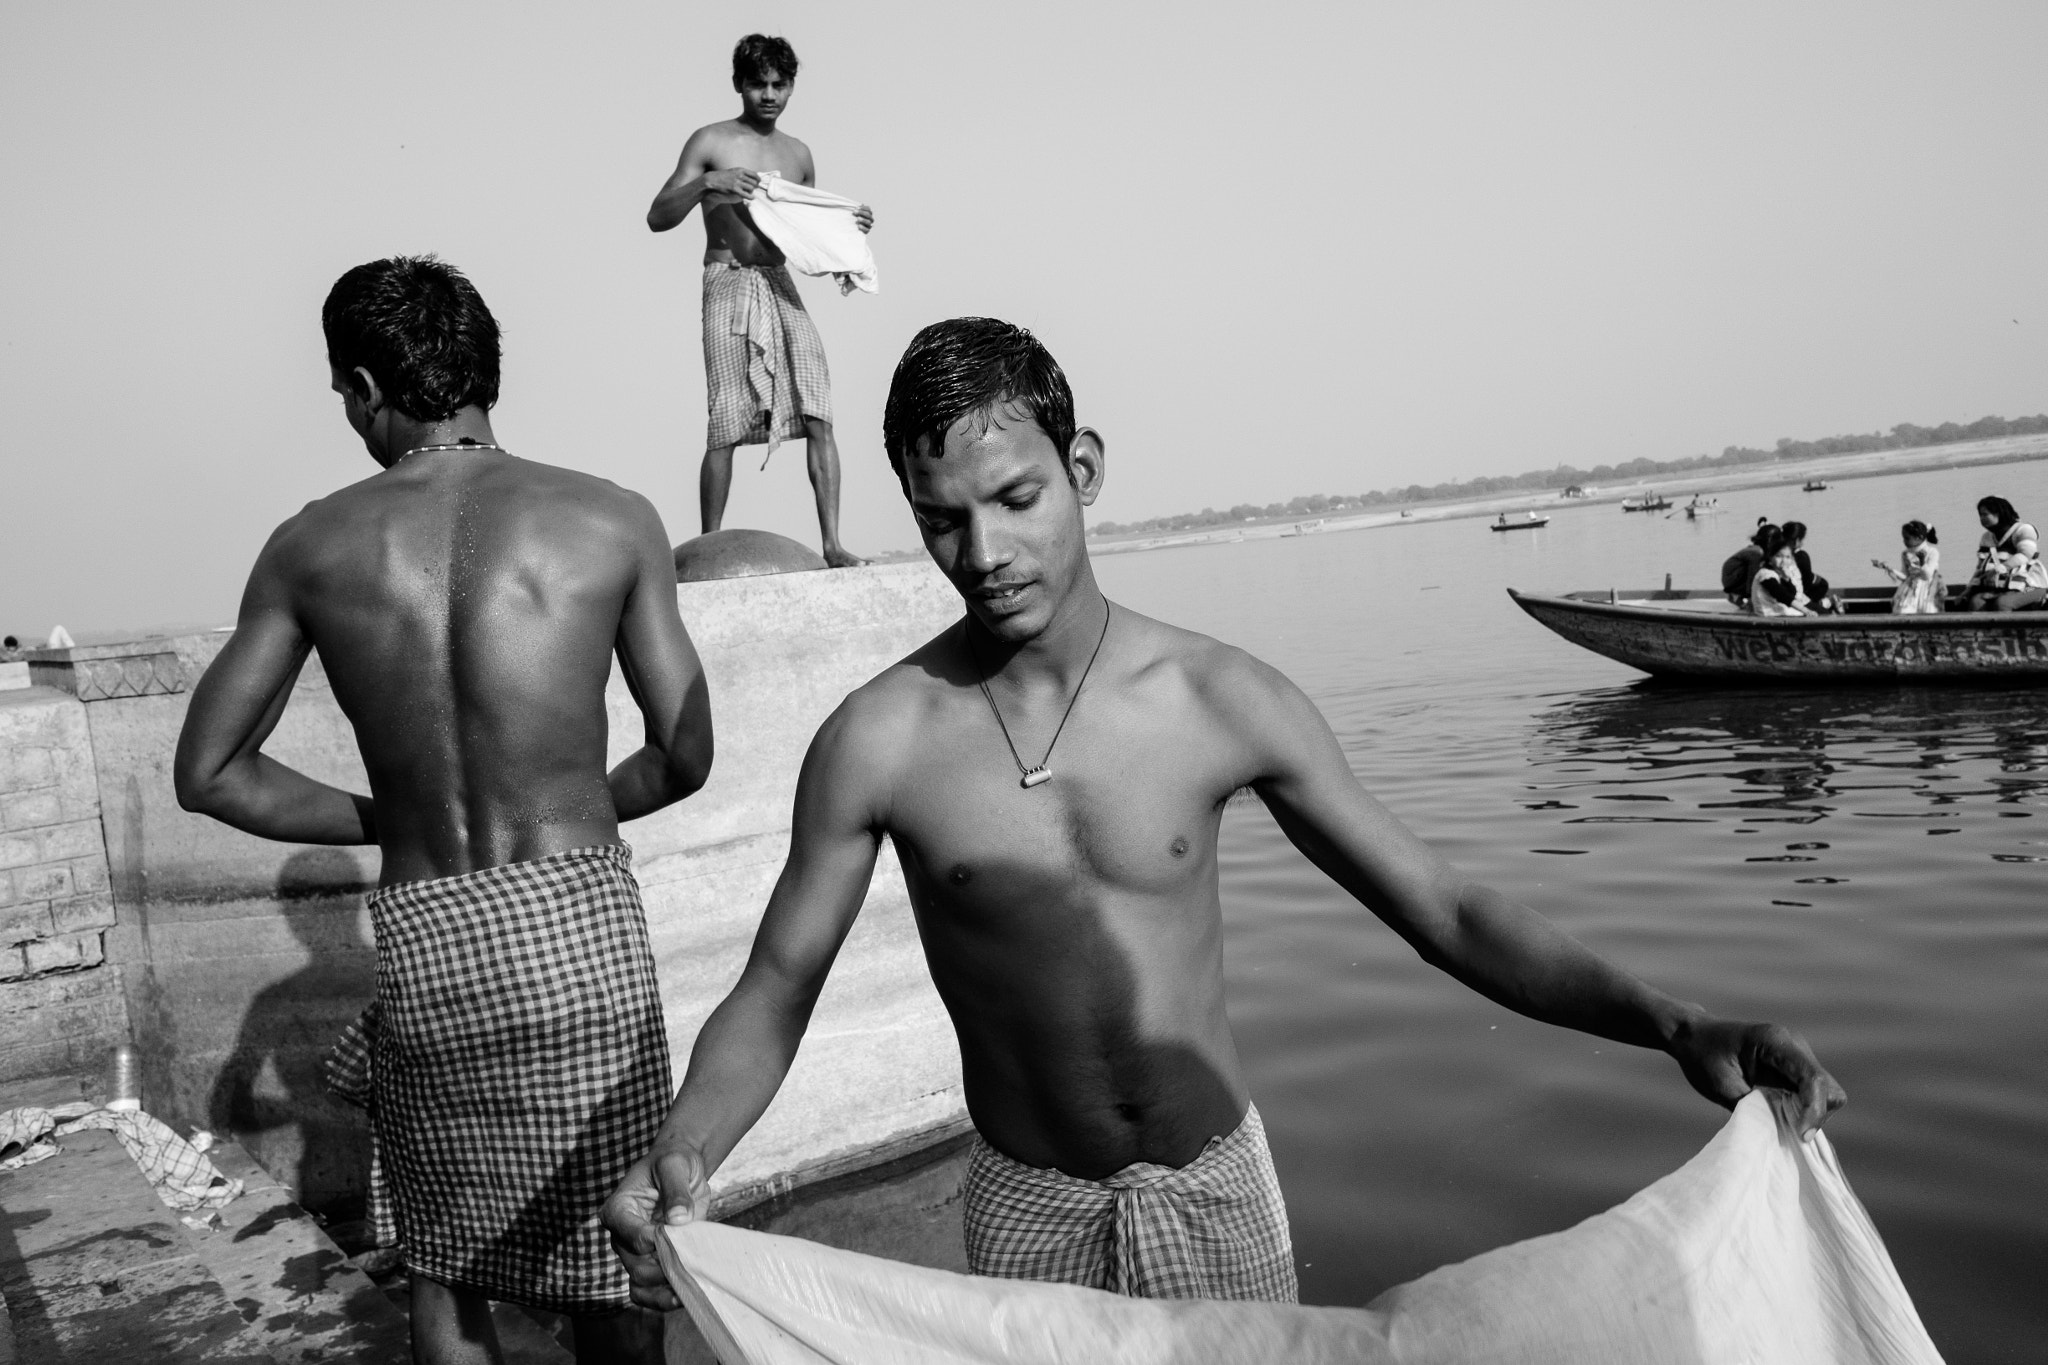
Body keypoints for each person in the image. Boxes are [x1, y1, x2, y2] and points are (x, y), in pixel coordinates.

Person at [603, 318, 1844, 1308]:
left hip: (1213, 1190)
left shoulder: (1219, 698)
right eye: (941, 519)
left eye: (1016, 497)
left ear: (1082, 471)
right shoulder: (880, 738)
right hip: (1026, 1204)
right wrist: (687, 1154)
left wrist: (1675, 1022)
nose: (982, 549)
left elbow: (1448, 912)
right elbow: (776, 988)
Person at [173, 256, 712, 1365]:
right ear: (484, 369)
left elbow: (213, 772)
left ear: (368, 384)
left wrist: (397, 817)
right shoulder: (610, 518)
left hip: (433, 944)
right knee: (617, 1272)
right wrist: (568, 811)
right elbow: (684, 751)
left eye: (344, 397)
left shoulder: (313, 544)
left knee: (448, 1272)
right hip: (582, 941)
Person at [647, 33, 872, 568]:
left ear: (791, 86)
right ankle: (707, 546)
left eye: (779, 84)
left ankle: (833, 544)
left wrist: (853, 230)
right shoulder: (710, 141)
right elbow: (657, 216)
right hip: (727, 283)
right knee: (725, 418)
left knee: (819, 408)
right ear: (739, 86)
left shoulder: (798, 155)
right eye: (758, 84)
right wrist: (709, 183)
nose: (769, 95)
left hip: (779, 282)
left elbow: (812, 233)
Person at [1959, 496, 2048, 613]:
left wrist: (2000, 568)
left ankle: (2009, 631)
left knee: (2003, 603)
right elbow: (1980, 568)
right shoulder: (1986, 538)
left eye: (1985, 514)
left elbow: (2026, 554)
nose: (1982, 519)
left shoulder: (2023, 529)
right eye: (1980, 515)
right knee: (1976, 602)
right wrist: (1968, 590)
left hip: (2032, 587)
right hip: (2001, 588)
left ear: (1999, 513)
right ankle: (1980, 632)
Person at [1872, 520, 1942, 614]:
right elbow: (1905, 576)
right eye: (1903, 538)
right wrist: (1888, 568)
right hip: (1910, 587)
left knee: (1928, 610)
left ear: (1919, 537)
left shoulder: (1932, 552)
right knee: (1903, 610)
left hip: (1927, 588)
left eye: (1907, 538)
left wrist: (1922, 562)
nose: (1904, 541)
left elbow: (1927, 576)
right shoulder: (1905, 554)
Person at [1749, 526, 1808, 617]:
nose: (1784, 561)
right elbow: (1782, 595)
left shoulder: (1778, 574)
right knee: (1807, 613)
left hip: (1777, 611)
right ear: (1770, 558)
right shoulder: (1765, 575)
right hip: (1768, 614)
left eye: (1787, 557)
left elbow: (1792, 594)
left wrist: (1787, 579)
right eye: (1779, 556)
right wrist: (1805, 610)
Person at [1779, 521, 1836, 614]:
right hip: (1797, 597)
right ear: (1797, 540)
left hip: (1791, 595)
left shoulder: (1776, 554)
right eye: (1802, 540)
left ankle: (1823, 603)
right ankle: (1824, 604)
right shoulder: (1801, 556)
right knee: (1823, 586)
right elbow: (1807, 580)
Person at [1720, 518, 1774, 607]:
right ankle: (1737, 595)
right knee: (1761, 573)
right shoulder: (1757, 553)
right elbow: (1752, 576)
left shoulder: (1759, 550)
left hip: (1733, 579)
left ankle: (1737, 595)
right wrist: (1751, 599)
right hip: (1732, 581)